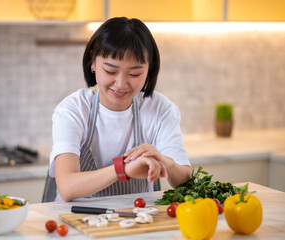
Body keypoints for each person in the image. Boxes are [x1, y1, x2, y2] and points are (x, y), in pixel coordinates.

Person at [49, 17, 192, 202]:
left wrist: (167, 162)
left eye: (135, 74)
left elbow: (185, 180)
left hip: (137, 218)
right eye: (110, 71)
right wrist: (122, 168)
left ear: (150, 69)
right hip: (76, 218)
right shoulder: (72, 110)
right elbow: (67, 187)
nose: (121, 83)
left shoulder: (161, 109)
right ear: (93, 62)